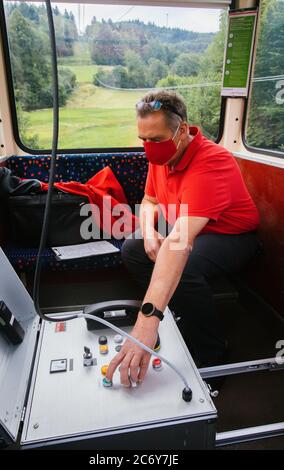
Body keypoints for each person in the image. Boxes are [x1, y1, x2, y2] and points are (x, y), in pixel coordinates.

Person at [106, 90, 260, 388]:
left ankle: (214, 354)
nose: (150, 148)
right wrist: (149, 234)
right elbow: (149, 200)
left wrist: (146, 321)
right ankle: (179, 312)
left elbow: (180, 241)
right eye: (144, 140)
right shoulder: (159, 157)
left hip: (232, 236)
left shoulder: (212, 162)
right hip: (189, 230)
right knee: (133, 248)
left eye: (157, 140)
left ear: (182, 129)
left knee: (184, 263)